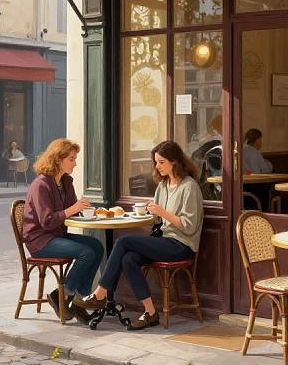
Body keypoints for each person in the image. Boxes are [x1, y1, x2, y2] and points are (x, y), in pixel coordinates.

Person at [78, 140, 203, 330]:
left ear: (174, 161)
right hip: (164, 240)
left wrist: (162, 213)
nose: (157, 167)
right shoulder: (163, 186)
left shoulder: (189, 187)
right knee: (128, 259)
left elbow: (189, 226)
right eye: (156, 162)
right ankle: (150, 312)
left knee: (123, 241)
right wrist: (149, 212)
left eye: (161, 162)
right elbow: (158, 220)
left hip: (181, 245)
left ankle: (100, 293)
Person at [23, 138, 104, 324]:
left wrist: (88, 211)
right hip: (40, 240)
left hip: (57, 235)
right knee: (86, 252)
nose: (75, 163)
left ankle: (78, 302)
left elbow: (70, 212)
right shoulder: (41, 185)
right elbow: (47, 222)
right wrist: (72, 209)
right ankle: (60, 295)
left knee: (96, 246)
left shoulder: (66, 181)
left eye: (75, 158)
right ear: (58, 159)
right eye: (72, 159)